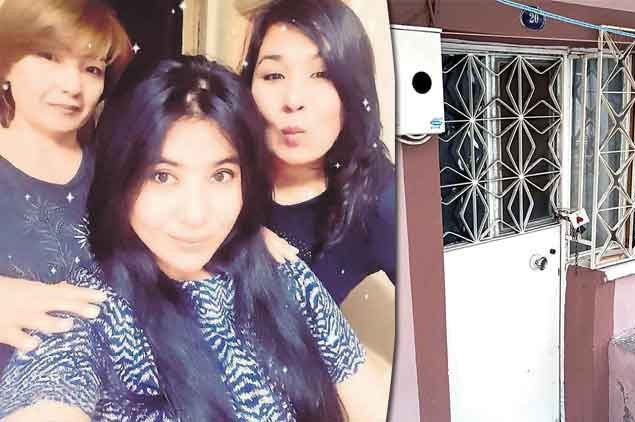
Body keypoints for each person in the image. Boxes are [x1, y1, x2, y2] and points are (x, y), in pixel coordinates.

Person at [0, 56, 378, 421]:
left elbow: (372, 397)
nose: (196, 216)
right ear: (122, 177)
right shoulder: (90, 313)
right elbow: (49, 394)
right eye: (163, 176)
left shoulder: (284, 275)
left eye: (221, 176)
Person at [0, 0, 131, 367]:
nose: (72, 85)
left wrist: (246, 234)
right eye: (49, 57)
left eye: (92, 68)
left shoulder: (116, 171)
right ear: (5, 65)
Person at [240, 0, 397, 305]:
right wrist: (239, 237)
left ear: (353, 91)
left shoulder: (378, 199)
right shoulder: (221, 161)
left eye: (322, 74)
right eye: (273, 75)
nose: (293, 100)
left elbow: (437, 304)